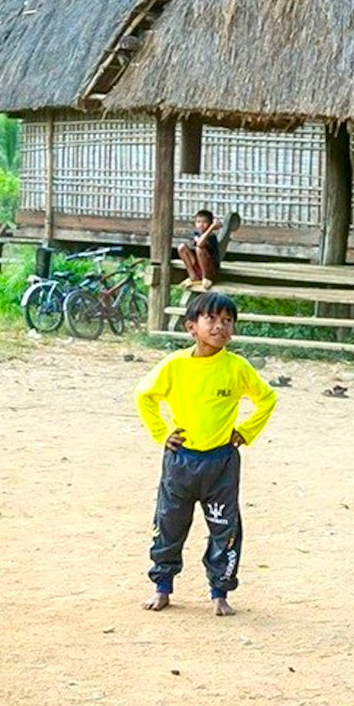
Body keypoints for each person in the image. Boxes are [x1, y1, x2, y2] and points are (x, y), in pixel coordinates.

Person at [135, 292, 277, 616]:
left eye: (228, 321)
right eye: (211, 319)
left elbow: (266, 399)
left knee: (224, 529)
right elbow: (144, 396)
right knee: (169, 524)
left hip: (221, 463)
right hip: (181, 462)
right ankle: (162, 587)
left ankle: (220, 592)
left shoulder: (237, 368)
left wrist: (246, 431)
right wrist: (162, 433)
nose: (220, 326)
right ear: (191, 327)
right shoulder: (175, 366)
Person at [177, 209, 221, 290]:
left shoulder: (211, 236)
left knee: (199, 249)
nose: (201, 224)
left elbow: (200, 244)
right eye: (198, 222)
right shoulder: (196, 234)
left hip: (210, 270)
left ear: (210, 224)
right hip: (198, 266)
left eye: (204, 222)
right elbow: (197, 241)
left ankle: (205, 278)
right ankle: (193, 276)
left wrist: (211, 229)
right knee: (182, 247)